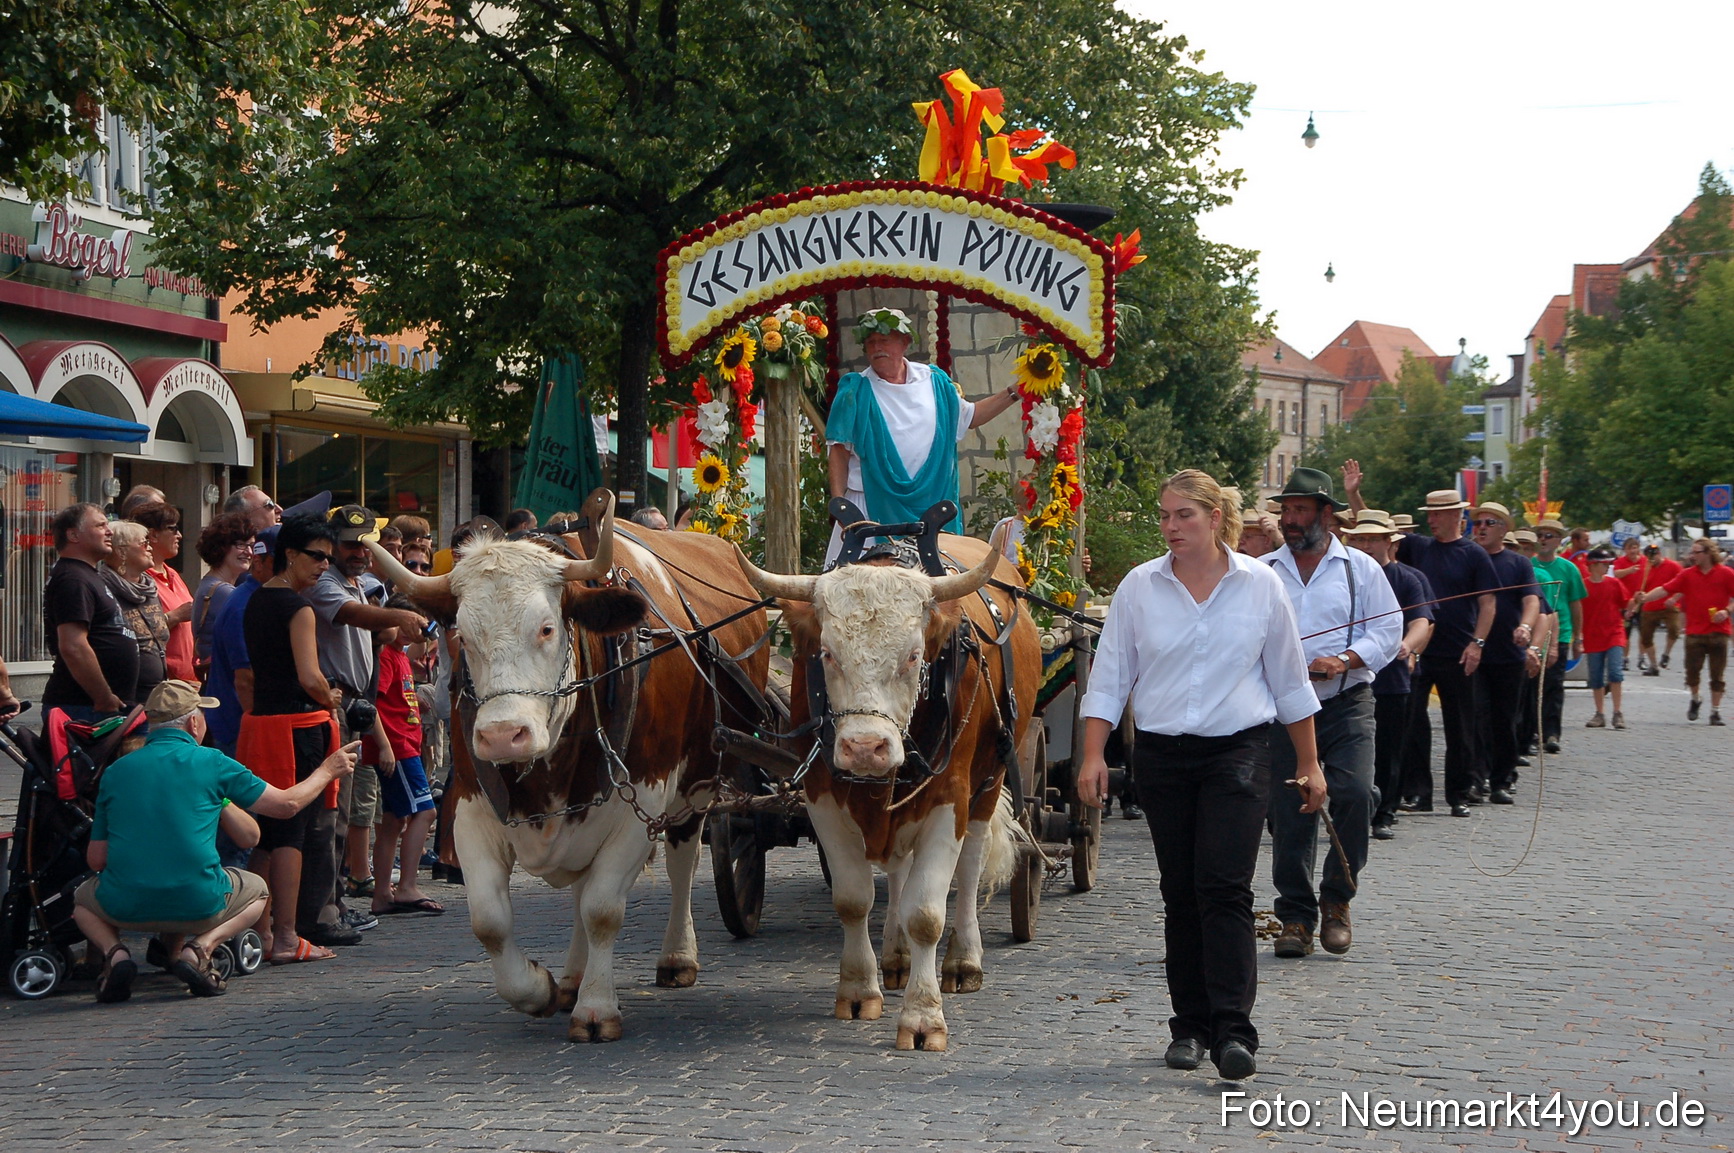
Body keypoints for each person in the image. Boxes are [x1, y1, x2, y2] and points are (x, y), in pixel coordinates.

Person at [1076, 468, 1323, 1081]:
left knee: (1225, 887)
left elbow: (1290, 682)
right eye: (1164, 516)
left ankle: (1234, 1032)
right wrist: (1091, 756)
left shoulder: (1261, 587)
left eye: (1183, 515)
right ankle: (1188, 1026)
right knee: (1179, 890)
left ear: (1216, 519)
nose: (1170, 527)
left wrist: (1311, 764)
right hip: (1161, 755)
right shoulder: (1140, 587)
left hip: (1237, 753)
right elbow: (1109, 679)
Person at [71, 680, 358, 1001]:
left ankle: (117, 954)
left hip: (123, 906)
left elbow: (96, 859)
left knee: (82, 900)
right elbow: (285, 805)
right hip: (199, 904)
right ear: (194, 722)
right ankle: (200, 948)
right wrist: (326, 770)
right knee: (259, 892)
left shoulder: (116, 771)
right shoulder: (213, 762)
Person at [1262, 469, 1399, 959]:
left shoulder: (1359, 569)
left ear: (1326, 514)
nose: (1290, 520)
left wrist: (1342, 660)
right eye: (1285, 511)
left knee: (1356, 794)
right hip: (1284, 708)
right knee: (1291, 809)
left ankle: (1338, 900)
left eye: (1299, 510)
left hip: (1346, 703)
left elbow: (1388, 631)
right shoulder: (1265, 570)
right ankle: (1296, 915)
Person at [306, 505, 427, 931]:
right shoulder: (326, 583)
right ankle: (325, 908)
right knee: (334, 812)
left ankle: (335, 903)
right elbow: (351, 616)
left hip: (355, 705)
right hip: (333, 701)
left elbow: (373, 630)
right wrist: (397, 616)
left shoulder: (359, 583)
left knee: (346, 812)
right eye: (348, 544)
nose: (358, 552)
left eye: (364, 544)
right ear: (330, 544)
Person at [824, 307, 1020, 562]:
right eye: (870, 342)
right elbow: (839, 450)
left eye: (883, 339)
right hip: (868, 507)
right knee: (859, 588)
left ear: (905, 342)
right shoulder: (855, 390)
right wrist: (840, 506)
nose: (876, 348)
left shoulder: (935, 382)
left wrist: (1014, 393)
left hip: (931, 506)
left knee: (938, 588)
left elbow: (970, 417)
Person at [239, 514, 347, 962]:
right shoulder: (298, 608)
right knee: (292, 831)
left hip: (260, 725)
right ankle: (284, 935)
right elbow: (310, 677)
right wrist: (332, 695)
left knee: (266, 832)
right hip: (295, 728)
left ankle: (263, 932)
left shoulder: (256, 600)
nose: (324, 565)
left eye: (328, 558)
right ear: (290, 554)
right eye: (317, 556)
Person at [1383, 487, 1497, 819]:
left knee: (1460, 725)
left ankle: (1459, 793)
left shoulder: (1474, 554)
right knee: (1412, 724)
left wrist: (1477, 644)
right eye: (1428, 514)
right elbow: (1379, 531)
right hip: (1421, 650)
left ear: (1455, 516)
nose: (1430, 520)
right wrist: (1355, 494)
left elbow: (1488, 604)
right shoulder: (1420, 548)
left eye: (1436, 514)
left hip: (1459, 652)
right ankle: (1418, 791)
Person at [1342, 510, 1434, 841]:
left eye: (1372, 539)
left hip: (1392, 680)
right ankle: (1350, 812)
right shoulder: (1342, 577)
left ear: (1388, 542)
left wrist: (1408, 646)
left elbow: (1422, 621)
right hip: (1345, 682)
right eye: (1359, 539)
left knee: (1389, 750)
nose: (1365, 546)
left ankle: (1385, 813)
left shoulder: (1408, 579)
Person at [368, 595, 443, 917]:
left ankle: (383, 893)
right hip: (397, 748)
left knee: (393, 820)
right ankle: (407, 886)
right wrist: (384, 745)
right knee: (425, 812)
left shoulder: (399, 655)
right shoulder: (386, 656)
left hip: (404, 745)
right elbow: (373, 703)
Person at [1469, 503, 1540, 805]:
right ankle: (1475, 779)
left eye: (1489, 522)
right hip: (1471, 654)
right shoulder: (1467, 557)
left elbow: (1533, 601)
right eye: (1477, 523)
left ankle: (1502, 779)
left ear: (1504, 529)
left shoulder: (1517, 563)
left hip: (1508, 654)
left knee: (1504, 720)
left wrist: (1525, 628)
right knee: (1475, 719)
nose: (1481, 527)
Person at [44, 503, 137, 720]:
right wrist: (103, 697)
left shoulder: (87, 575)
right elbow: (73, 645)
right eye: (100, 525)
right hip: (85, 708)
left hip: (103, 706)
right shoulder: (73, 578)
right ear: (74, 535)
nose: (109, 531)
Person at [1637, 538, 1734, 724]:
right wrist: (1646, 597)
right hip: (1694, 631)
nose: (1692, 556)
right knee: (1692, 672)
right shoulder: (1688, 574)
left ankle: (1715, 711)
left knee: (1717, 674)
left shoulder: (1726, 574)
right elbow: (1666, 589)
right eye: (1692, 552)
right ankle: (1696, 698)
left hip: (1719, 631)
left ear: (1707, 553)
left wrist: (1726, 611)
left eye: (1696, 552)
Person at [1528, 518, 1585, 754]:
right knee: (1530, 687)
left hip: (1560, 632)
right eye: (1540, 535)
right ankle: (1531, 730)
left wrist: (1578, 637)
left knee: (1553, 684)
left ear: (1559, 541)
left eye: (1548, 536)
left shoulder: (1569, 569)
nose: (1543, 540)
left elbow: (1575, 604)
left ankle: (1551, 732)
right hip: (1534, 633)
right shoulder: (1528, 566)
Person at [102, 520, 170, 706]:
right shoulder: (104, 589)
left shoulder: (149, 588)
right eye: (144, 543)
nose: (150, 548)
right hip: (123, 698)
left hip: (156, 694)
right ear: (122, 551)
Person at [130, 502, 196, 683]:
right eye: (173, 529)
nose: (180, 536)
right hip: (161, 685)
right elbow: (135, 632)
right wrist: (175, 616)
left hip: (187, 683)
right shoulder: (138, 580)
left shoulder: (172, 573)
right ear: (153, 535)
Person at [191, 513, 255, 681]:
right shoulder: (224, 592)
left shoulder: (209, 583)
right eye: (241, 545)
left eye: (252, 545)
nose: (249, 552)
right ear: (222, 546)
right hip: (226, 680)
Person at [1580, 548, 1629, 729]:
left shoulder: (1614, 583)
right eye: (1604, 563)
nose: (1608, 566)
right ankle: (1600, 713)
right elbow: (1577, 610)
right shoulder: (1583, 586)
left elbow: (1626, 604)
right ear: (1593, 565)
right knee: (1596, 677)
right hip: (1592, 636)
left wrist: (1636, 602)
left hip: (1614, 633)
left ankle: (1617, 712)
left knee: (1616, 672)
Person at [1625, 543, 1682, 675]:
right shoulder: (1646, 570)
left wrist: (1674, 598)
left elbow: (1683, 585)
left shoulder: (1673, 566)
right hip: (1650, 606)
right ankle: (1654, 665)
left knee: (1674, 630)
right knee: (1646, 637)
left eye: (1654, 556)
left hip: (1669, 605)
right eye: (1649, 557)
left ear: (1659, 554)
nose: (1651, 559)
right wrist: (1635, 604)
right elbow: (1640, 590)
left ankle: (1666, 654)